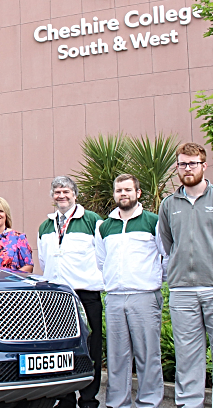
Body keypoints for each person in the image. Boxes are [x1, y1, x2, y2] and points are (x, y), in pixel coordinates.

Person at [95, 174, 164, 408]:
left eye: (127, 190)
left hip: (144, 296)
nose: (123, 194)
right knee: (116, 358)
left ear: (138, 193)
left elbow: (164, 256)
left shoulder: (153, 221)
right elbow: (101, 262)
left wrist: (151, 281)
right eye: (119, 190)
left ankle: (149, 402)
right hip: (115, 298)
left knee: (148, 355)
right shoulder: (105, 227)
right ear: (114, 194)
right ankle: (117, 403)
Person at [37, 176, 103, 408]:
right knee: (61, 349)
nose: (61, 196)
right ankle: (65, 398)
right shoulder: (45, 226)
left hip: (86, 294)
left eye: (66, 191)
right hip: (57, 296)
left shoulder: (92, 220)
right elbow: (44, 261)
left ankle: (88, 398)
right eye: (57, 192)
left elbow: (102, 255)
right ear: (52, 197)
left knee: (90, 347)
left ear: (75, 194)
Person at [158, 142, 213, 408]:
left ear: (204, 165)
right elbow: (168, 244)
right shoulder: (169, 204)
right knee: (188, 353)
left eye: (192, 163)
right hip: (182, 291)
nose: (187, 168)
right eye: (182, 164)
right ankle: (190, 403)